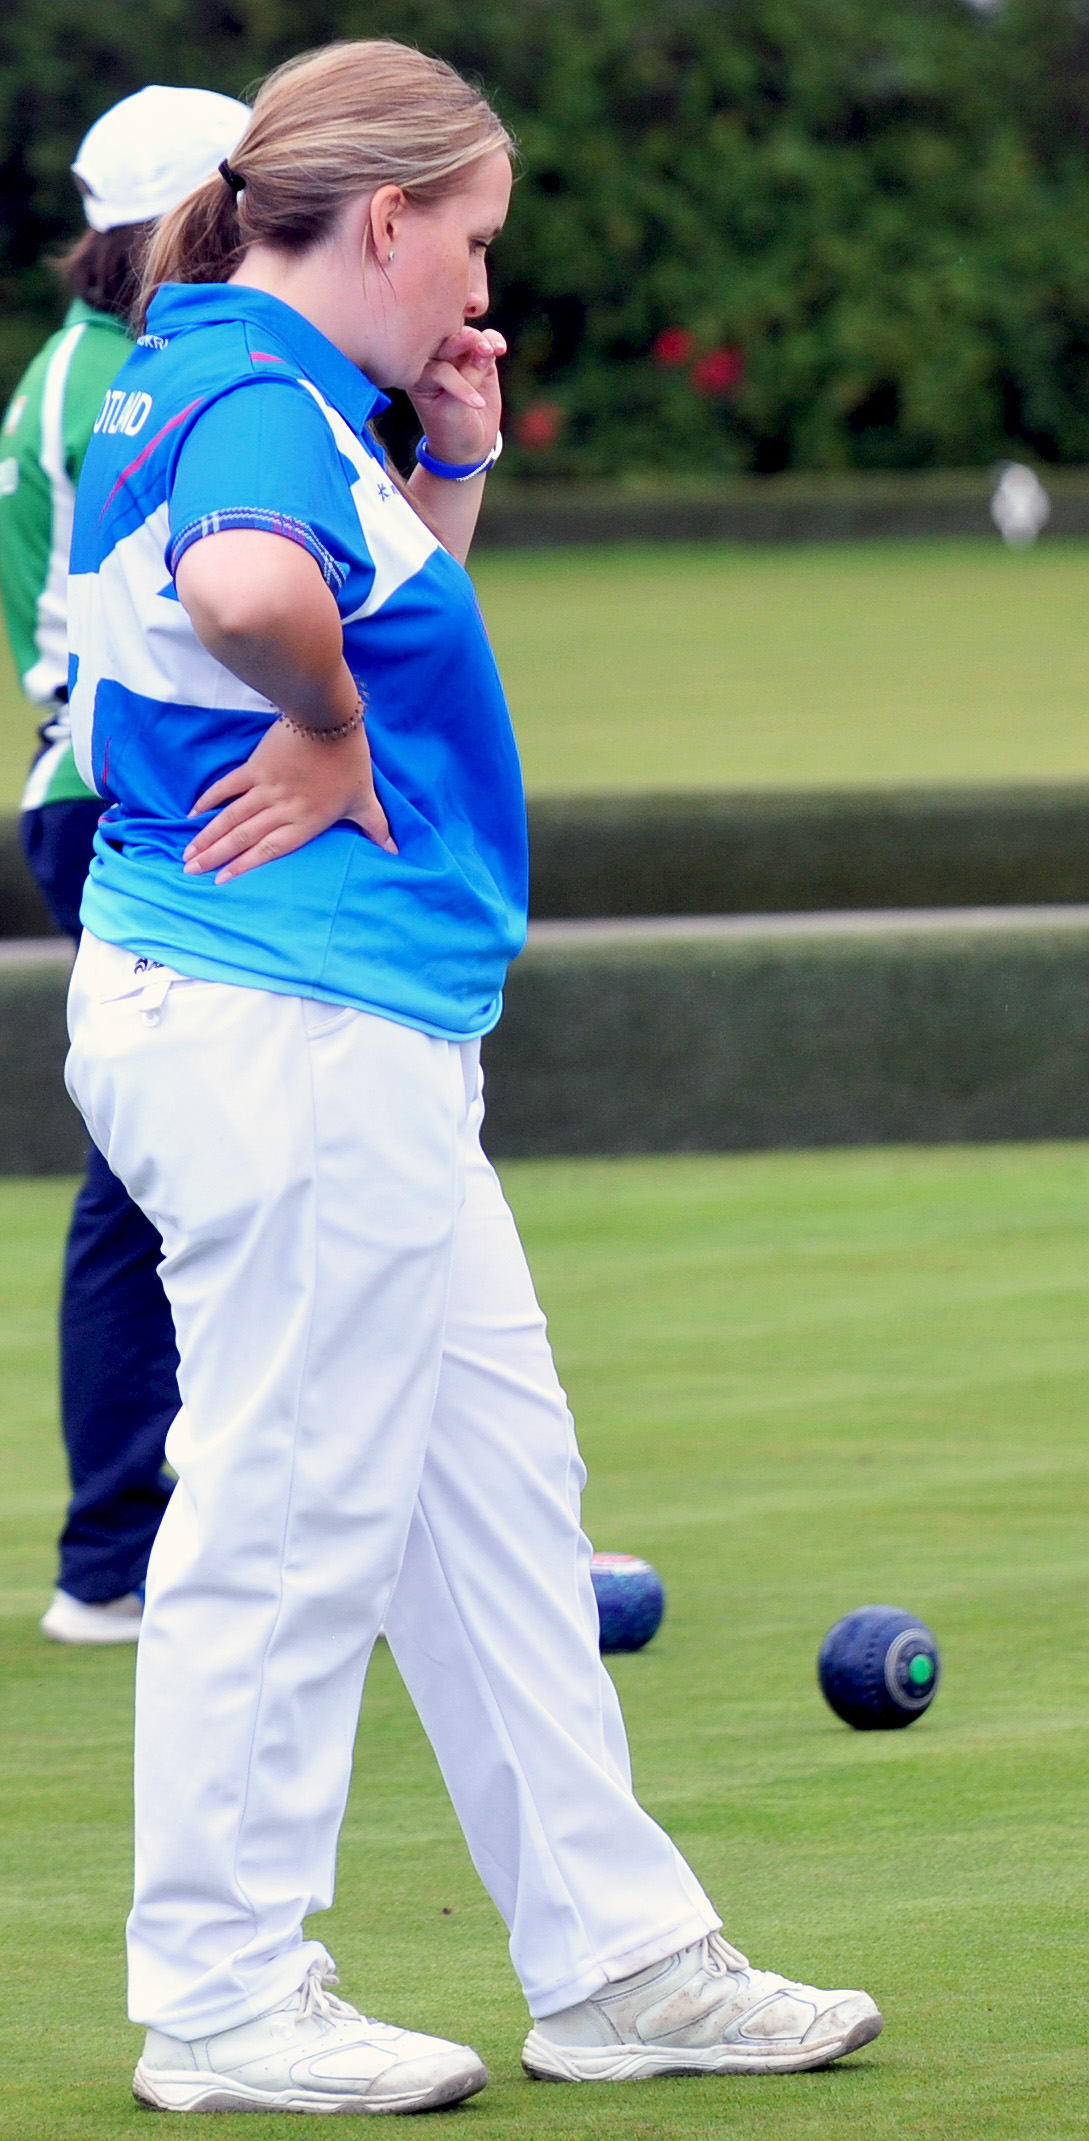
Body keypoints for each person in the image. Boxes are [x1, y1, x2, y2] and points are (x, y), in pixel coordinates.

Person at [65, 41, 881, 2112]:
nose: (483, 283)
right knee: (291, 1517)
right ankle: (225, 2005)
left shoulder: (237, 372)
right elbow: (256, 598)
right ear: (396, 219)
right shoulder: (253, 396)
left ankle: (617, 1961)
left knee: (496, 1513)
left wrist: (450, 475)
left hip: (337, 1032)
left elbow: (341, 607)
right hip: (292, 1033)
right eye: (479, 241)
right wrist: (325, 732)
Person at [12, 87, 247, 1648]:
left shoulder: (103, 367)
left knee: (157, 1179)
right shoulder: (138, 378)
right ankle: (128, 1551)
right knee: (192, 1177)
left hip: (106, 789)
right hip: (128, 792)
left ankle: (129, 1553)